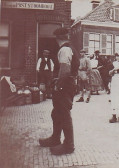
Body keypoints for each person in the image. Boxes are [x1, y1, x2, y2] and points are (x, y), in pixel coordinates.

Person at [39, 27, 79, 155]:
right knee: (56, 113)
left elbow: (65, 70)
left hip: (65, 86)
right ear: (66, 37)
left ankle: (69, 145)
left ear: (57, 39)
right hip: (67, 85)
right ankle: (55, 139)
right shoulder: (70, 48)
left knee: (64, 114)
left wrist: (58, 85)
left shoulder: (64, 49)